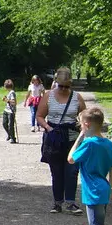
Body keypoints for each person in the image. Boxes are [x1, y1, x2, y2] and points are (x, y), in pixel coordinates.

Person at [36, 67, 86, 214]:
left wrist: (82, 126)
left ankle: (70, 202)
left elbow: (84, 116)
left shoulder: (77, 97)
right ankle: (57, 202)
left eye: (67, 86)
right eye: (61, 86)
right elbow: (39, 116)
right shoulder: (48, 96)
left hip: (72, 139)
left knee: (71, 171)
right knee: (56, 171)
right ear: (56, 83)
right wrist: (47, 127)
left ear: (71, 85)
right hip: (54, 138)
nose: (64, 89)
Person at [1, 79, 18, 143]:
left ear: (6, 86)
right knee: (4, 124)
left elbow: (14, 102)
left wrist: (7, 100)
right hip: (6, 110)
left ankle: (13, 138)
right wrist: (6, 99)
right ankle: (10, 134)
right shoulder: (9, 92)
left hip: (11, 111)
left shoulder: (12, 92)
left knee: (11, 125)